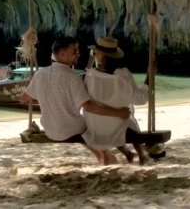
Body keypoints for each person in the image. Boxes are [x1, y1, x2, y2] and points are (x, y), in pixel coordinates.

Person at [20, 36, 130, 165]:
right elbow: (88, 106)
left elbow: (24, 99)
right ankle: (107, 158)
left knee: (87, 136)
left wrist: (47, 99)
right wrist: (119, 112)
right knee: (94, 127)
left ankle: (101, 155)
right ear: (63, 54)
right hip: (72, 129)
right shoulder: (72, 77)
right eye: (74, 51)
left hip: (50, 130)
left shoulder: (39, 74)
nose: (78, 54)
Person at [83, 36, 150, 165]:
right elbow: (140, 99)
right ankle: (142, 154)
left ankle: (129, 153)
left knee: (122, 114)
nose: (94, 55)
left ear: (101, 55)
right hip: (117, 127)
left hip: (95, 129)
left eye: (96, 53)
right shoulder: (122, 75)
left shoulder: (89, 75)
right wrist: (149, 79)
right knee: (128, 114)